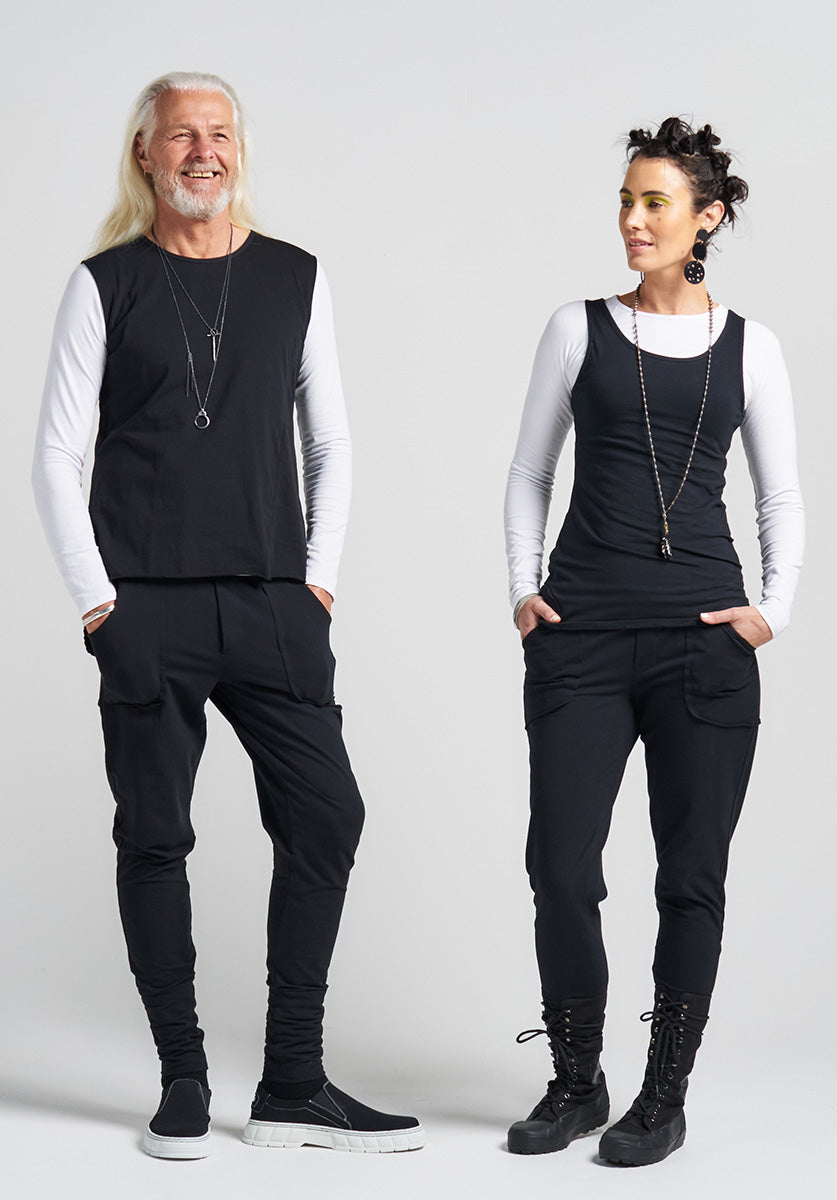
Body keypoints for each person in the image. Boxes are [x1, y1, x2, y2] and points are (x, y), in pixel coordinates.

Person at [32, 71, 423, 1160]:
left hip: (271, 603)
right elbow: (57, 455)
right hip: (144, 606)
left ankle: (293, 1081)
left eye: (218, 133)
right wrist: (99, 603)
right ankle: (184, 1077)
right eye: (180, 135)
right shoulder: (103, 284)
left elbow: (330, 440)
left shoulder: (296, 276)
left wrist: (317, 584)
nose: (202, 150)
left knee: (327, 816)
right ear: (145, 155)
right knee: (155, 837)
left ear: (237, 151)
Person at [503, 117, 804, 1166]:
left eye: (655, 203)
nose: (633, 219)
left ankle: (661, 1096)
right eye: (626, 201)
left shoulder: (751, 346)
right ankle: (576, 1081)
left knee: (690, 877)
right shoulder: (575, 328)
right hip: (581, 641)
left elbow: (781, 496)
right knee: (560, 867)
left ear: (705, 218)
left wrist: (773, 608)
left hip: (702, 649)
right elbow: (530, 471)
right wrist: (523, 589)